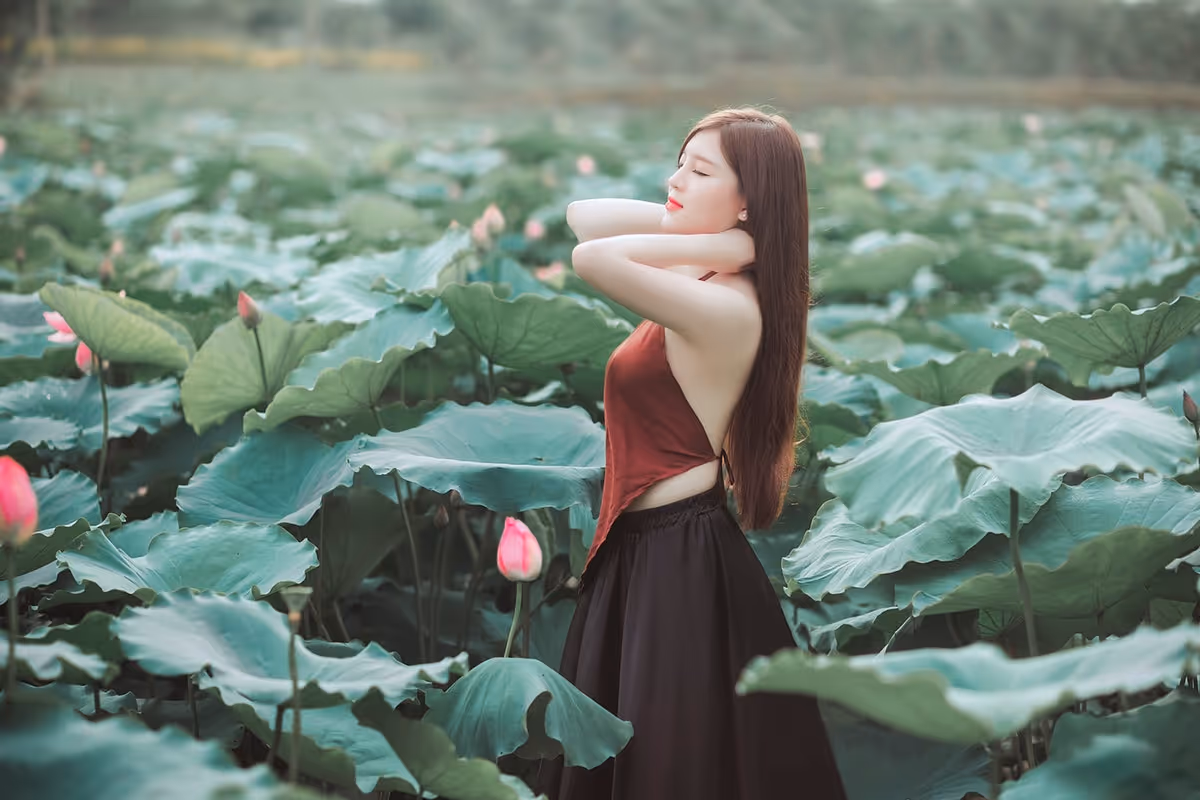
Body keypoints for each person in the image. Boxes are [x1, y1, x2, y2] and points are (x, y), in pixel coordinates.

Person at [536, 108, 849, 800]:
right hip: (640, 550)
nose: (675, 179)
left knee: (667, 772)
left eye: (699, 171)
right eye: (680, 161)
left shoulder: (730, 307)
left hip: (677, 565)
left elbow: (592, 258)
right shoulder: (709, 277)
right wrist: (730, 236)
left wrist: (735, 244)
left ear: (747, 200)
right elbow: (583, 216)